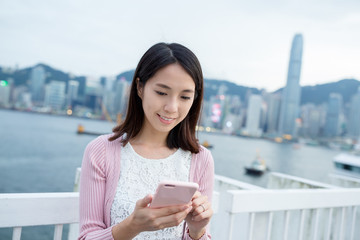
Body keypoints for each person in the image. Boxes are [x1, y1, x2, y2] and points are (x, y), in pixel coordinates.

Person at [79, 42, 214, 240]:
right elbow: (86, 236)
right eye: (161, 93)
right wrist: (132, 226)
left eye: (185, 97)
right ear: (140, 87)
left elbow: (200, 234)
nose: (172, 107)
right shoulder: (101, 151)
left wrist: (197, 231)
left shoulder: (201, 159)